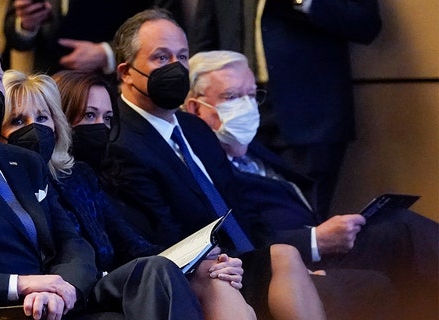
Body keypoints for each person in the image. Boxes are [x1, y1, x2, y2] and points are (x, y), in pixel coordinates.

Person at [0, 32, 205, 319]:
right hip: (2, 312)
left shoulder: (21, 161)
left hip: (58, 303)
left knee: (157, 271)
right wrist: (21, 286)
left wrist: (63, 288)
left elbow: (71, 241)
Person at [103, 8, 397, 320]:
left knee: (285, 254)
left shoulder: (195, 129)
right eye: (161, 58)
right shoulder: (121, 142)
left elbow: (241, 209)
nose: (176, 68)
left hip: (240, 257)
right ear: (126, 72)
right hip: (196, 268)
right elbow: (159, 233)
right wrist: (219, 261)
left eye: (183, 56)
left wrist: (295, 262)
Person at [184, 49, 439, 319]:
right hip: (287, 260)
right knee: (401, 236)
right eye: (232, 97)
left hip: (316, 241)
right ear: (195, 108)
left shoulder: (252, 148)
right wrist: (315, 240)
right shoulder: (202, 167)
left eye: (251, 95)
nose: (246, 106)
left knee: (399, 225)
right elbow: (242, 234)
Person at [0, 69, 257, 319]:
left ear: (56, 124)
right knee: (161, 271)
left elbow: (132, 245)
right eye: (18, 121)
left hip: (111, 282)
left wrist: (204, 256)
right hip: (67, 291)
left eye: (42, 118)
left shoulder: (78, 176)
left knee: (212, 271)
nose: (35, 129)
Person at [189, 0, 382, 217]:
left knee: (304, 218)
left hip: (311, 115)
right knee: (243, 215)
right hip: (234, 111)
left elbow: (366, 24)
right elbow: (203, 44)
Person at [4, 0, 152, 74]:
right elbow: (13, 34)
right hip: (49, 85)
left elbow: (161, 22)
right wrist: (27, 24)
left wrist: (107, 53)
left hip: (107, 90)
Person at [51, 70, 115, 175]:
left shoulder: (110, 173)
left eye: (107, 118)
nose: (101, 124)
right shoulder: (44, 182)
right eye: (89, 115)